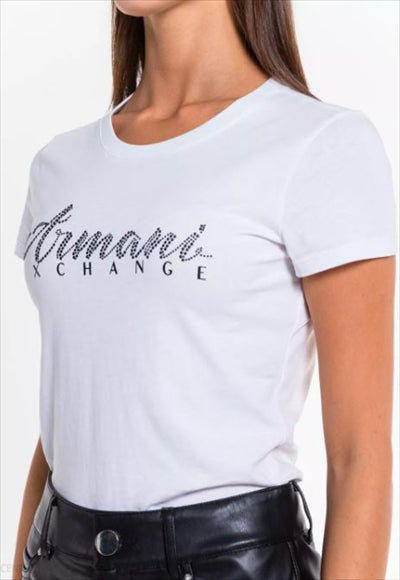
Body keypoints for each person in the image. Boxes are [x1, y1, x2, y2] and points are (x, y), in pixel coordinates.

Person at [12, 0, 397, 579]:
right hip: (58, 556)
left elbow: (359, 457)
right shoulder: (60, 166)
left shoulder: (320, 146)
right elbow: (71, 415)